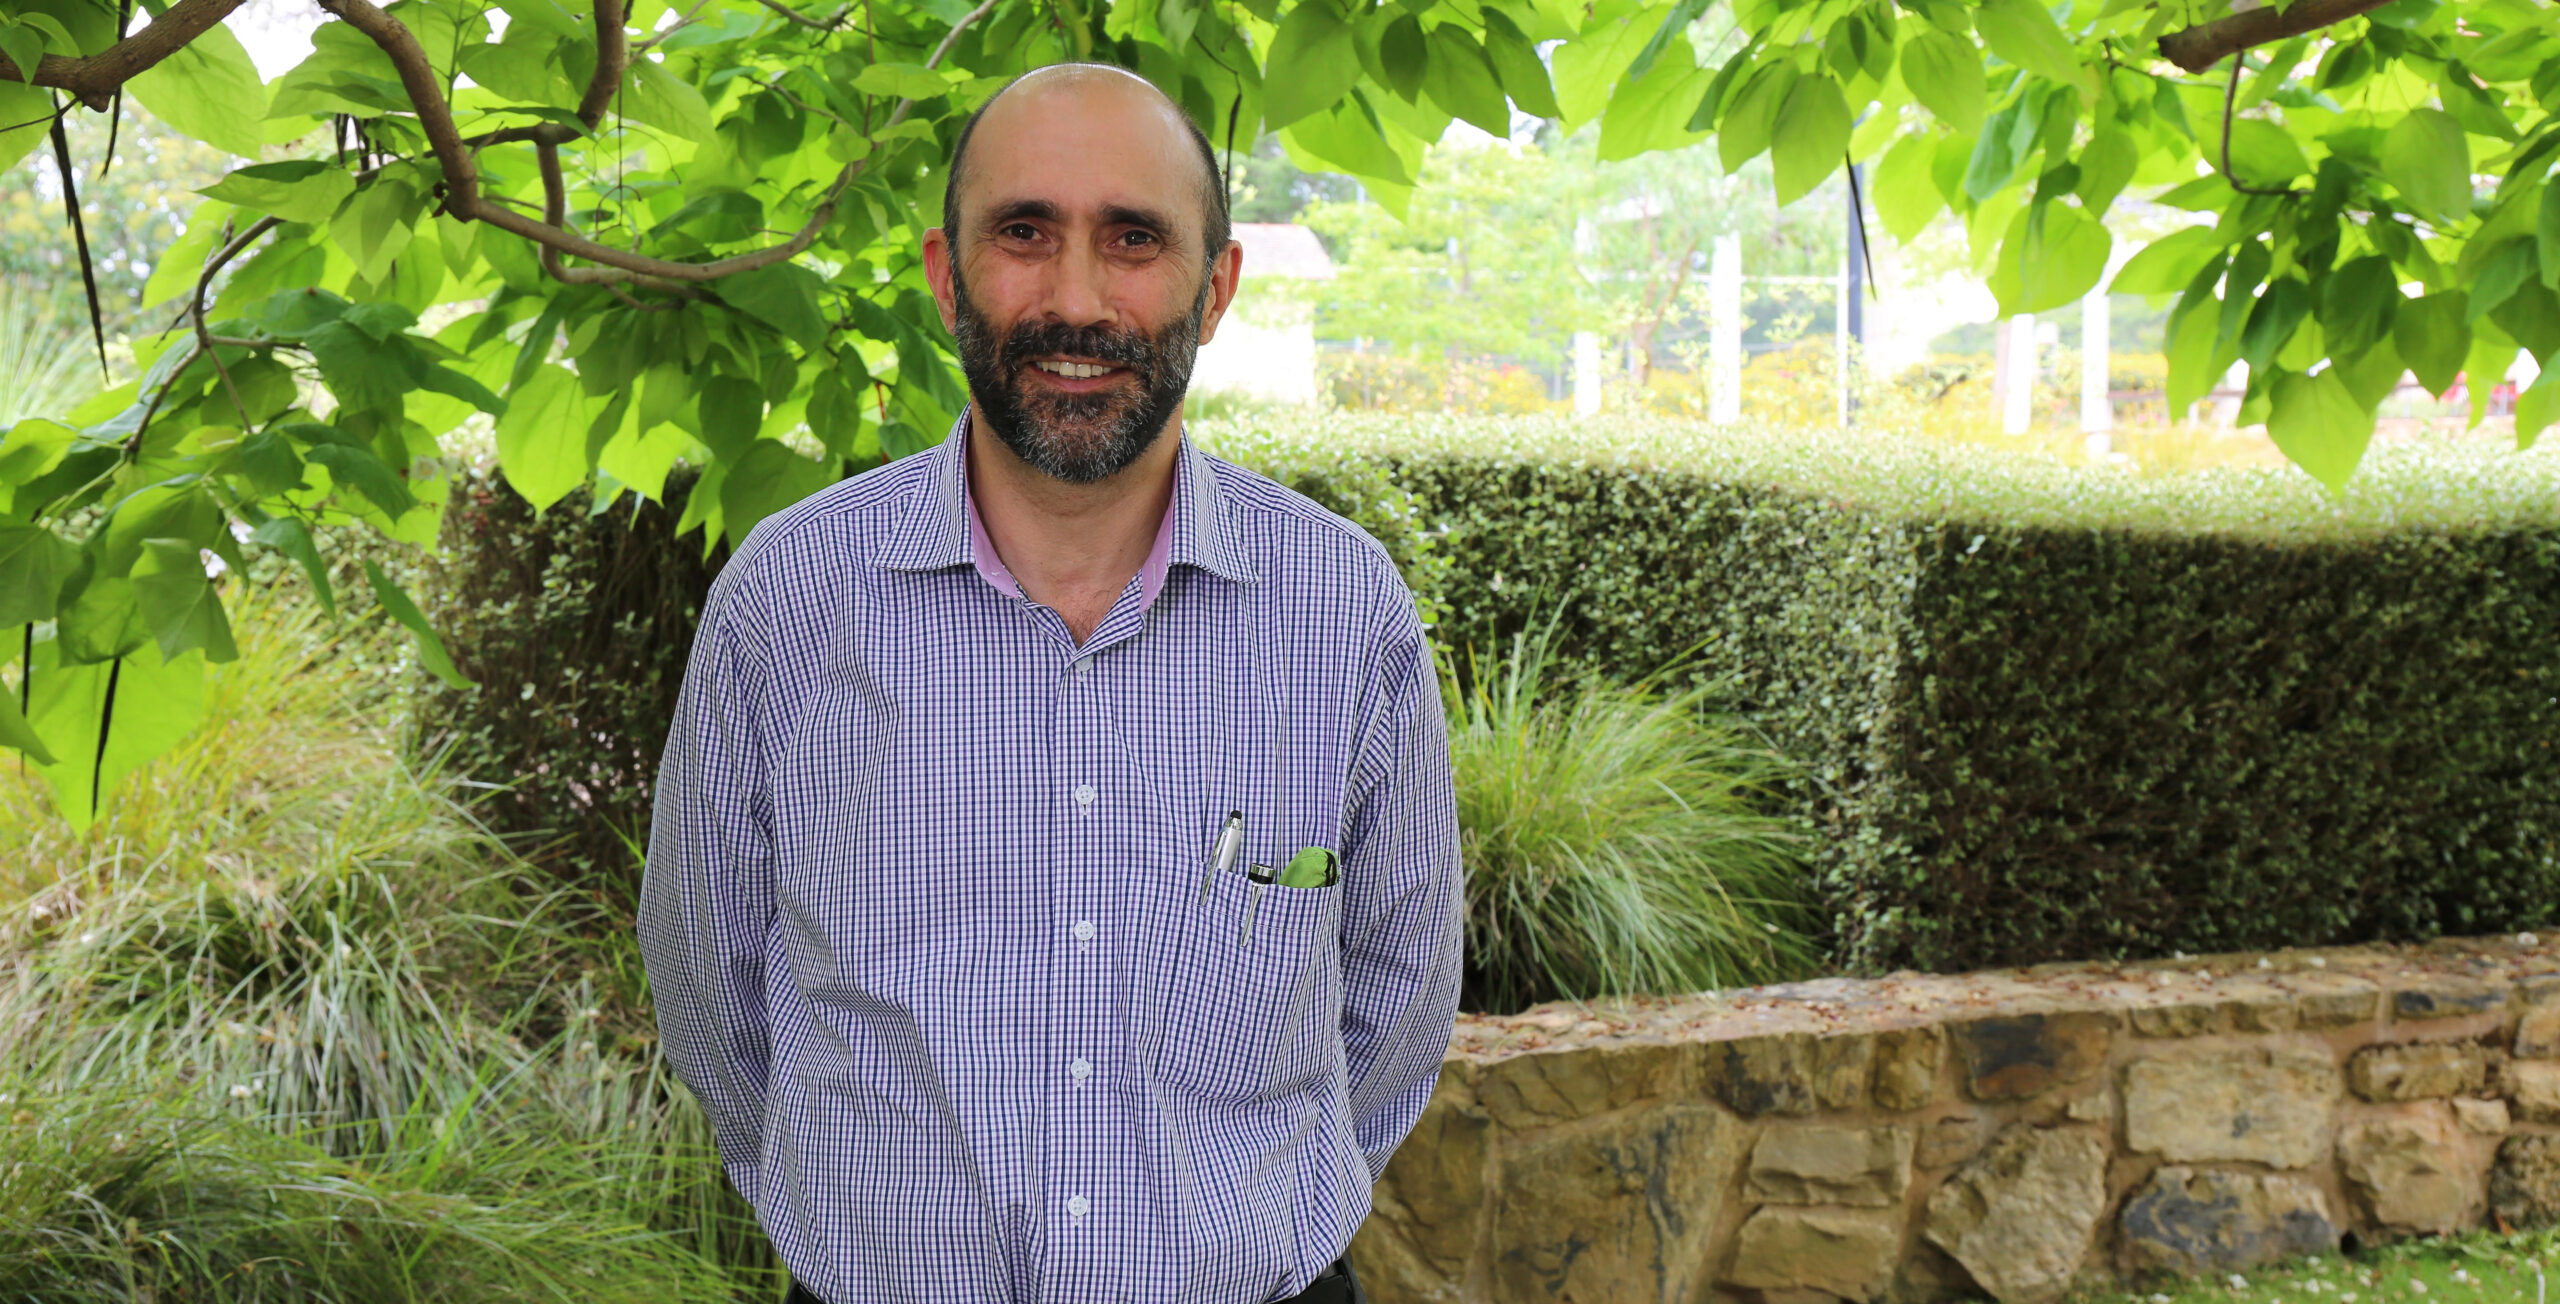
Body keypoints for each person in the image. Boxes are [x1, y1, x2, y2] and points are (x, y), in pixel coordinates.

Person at [637, 63, 1463, 1304]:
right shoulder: (788, 601)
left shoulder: (1343, 614)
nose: (1076, 298)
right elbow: (711, 989)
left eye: (1133, 240)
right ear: (944, 272)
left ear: (1216, 286)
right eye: (1024, 233)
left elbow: (1398, 1001)